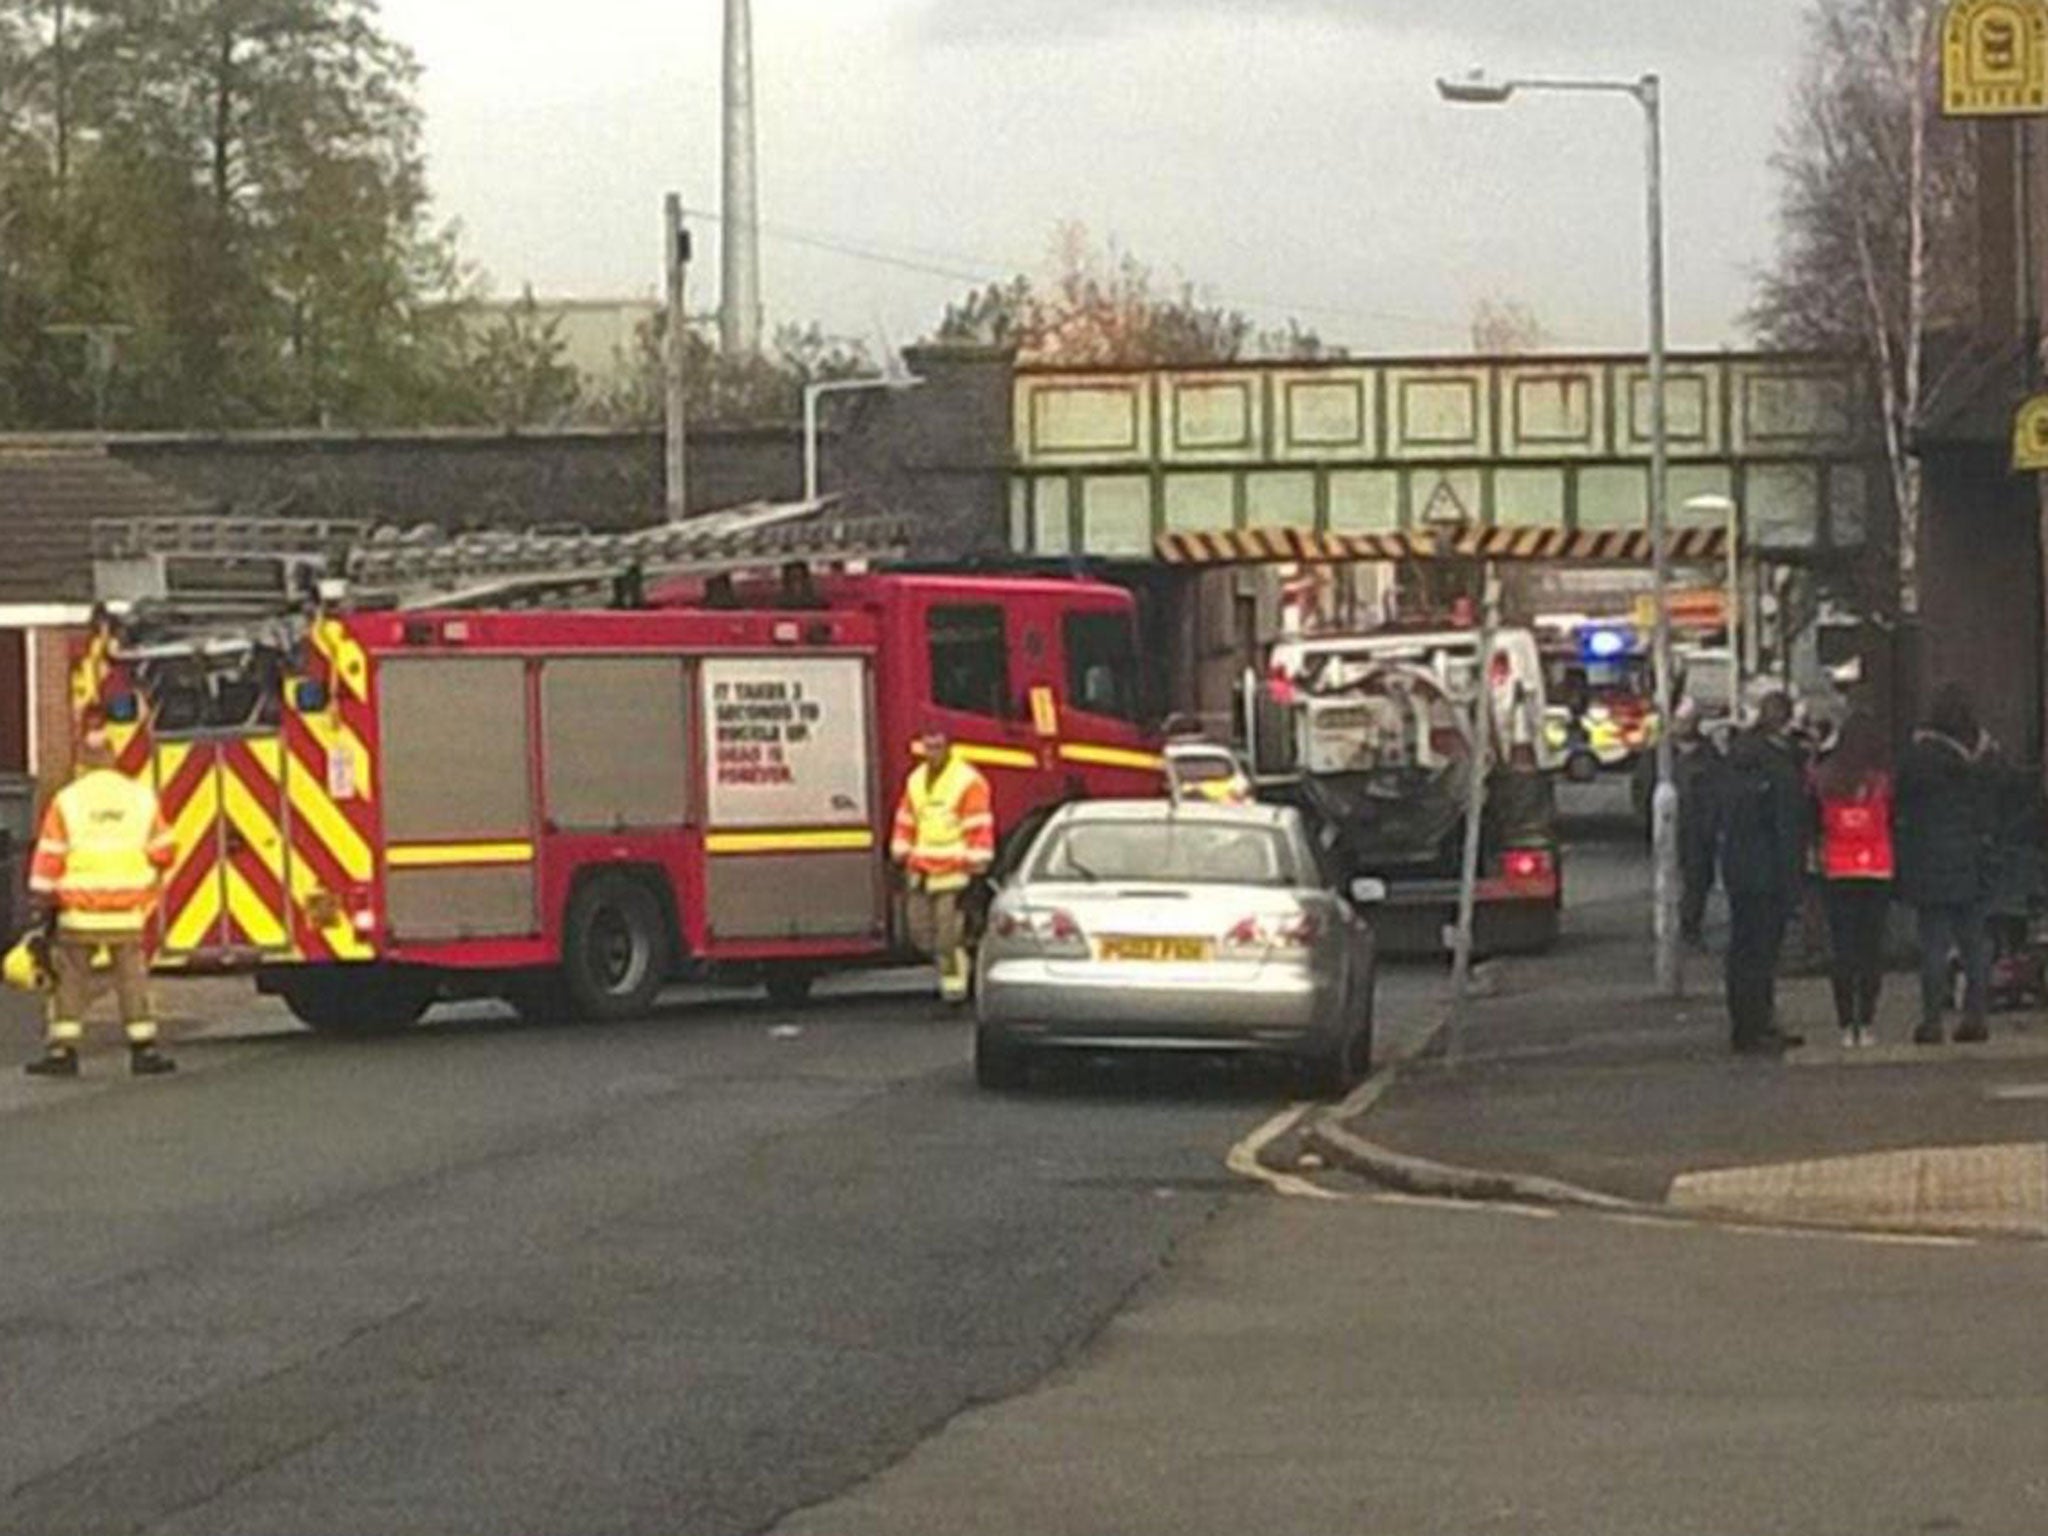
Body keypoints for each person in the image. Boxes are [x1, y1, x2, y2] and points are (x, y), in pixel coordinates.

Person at [23, 726, 179, 1077]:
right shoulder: (140, 798)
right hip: (126, 913)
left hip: (79, 913)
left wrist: (41, 900)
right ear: (113, 757)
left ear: (82, 760)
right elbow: (164, 851)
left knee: (72, 981)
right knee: (131, 979)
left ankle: (63, 1051)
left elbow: (50, 856)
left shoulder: (68, 800)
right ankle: (143, 1050)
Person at [1896, 684, 1995, 1045]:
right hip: (1973, 858)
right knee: (1974, 944)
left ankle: (1932, 1021)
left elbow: (1900, 803)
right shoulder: (1984, 756)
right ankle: (1976, 1018)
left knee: (1934, 944)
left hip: (1930, 859)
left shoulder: (1919, 758)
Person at [1718, 691, 1809, 1055]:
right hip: (1769, 873)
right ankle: (1761, 1023)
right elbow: (1788, 829)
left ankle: (1744, 1025)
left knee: (1742, 951)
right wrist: (1794, 886)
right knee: (1763, 954)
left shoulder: (1736, 759)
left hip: (1739, 869)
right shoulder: (1778, 766)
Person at [889, 724, 995, 1004]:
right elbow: (906, 819)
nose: (932, 751)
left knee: (949, 937)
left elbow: (978, 825)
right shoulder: (915, 779)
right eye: (928, 746)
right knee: (921, 935)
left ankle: (955, 991)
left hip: (954, 872)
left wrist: (978, 864)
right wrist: (900, 851)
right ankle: (953, 975)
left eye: (937, 745)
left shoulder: (967, 781)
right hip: (920, 871)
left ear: (949, 746)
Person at [1812, 711, 1895, 1048]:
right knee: (1872, 949)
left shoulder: (1825, 778)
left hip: (1838, 867)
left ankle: (1846, 1023)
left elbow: (1813, 820)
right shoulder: (1882, 781)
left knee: (1843, 948)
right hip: (1876, 867)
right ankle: (1868, 1021)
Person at [1668, 699, 1726, 949]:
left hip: (1700, 829)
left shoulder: (1709, 754)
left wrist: (1715, 823)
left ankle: (1690, 926)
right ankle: (1674, 925)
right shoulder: (1662, 754)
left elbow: (1720, 788)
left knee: (1698, 880)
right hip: (1673, 827)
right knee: (1674, 879)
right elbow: (1644, 787)